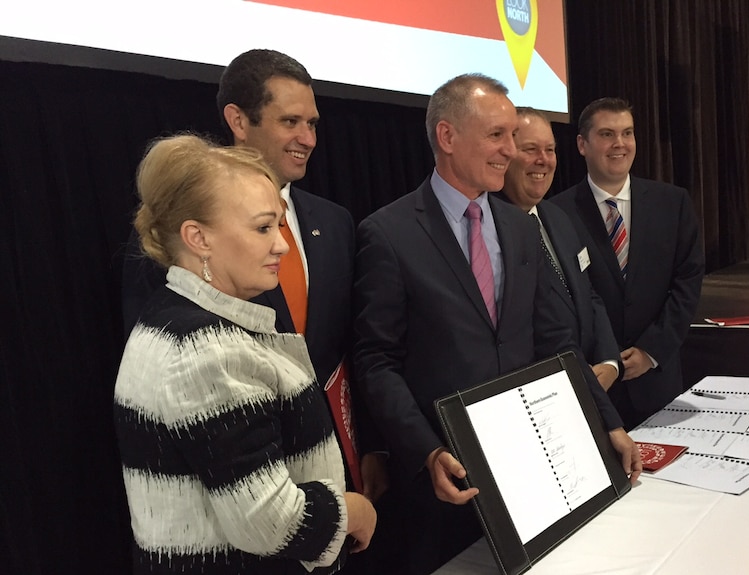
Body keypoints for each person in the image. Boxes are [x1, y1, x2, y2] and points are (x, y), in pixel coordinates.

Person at [352, 74, 641, 575]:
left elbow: (557, 344)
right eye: (497, 136)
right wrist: (425, 450)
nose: (511, 151)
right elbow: (375, 360)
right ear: (447, 136)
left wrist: (607, 422)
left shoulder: (519, 227)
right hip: (444, 485)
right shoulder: (388, 233)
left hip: (529, 475)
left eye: (512, 136)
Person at [121, 49, 388, 508]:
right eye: (290, 122)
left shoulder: (336, 221)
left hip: (335, 471)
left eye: (313, 124)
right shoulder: (179, 235)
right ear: (239, 120)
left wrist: (373, 446)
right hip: (236, 490)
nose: (307, 138)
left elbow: (350, 348)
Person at [114, 134, 376, 574]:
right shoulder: (208, 352)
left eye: (278, 225)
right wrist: (352, 509)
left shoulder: (175, 318)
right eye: (262, 228)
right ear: (198, 237)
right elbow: (270, 523)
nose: (281, 245)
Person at [550, 97, 705, 430]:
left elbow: (687, 282)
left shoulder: (673, 203)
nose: (619, 143)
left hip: (658, 378)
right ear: (582, 144)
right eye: (607, 134)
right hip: (595, 382)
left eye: (627, 133)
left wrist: (651, 350)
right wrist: (606, 359)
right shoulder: (556, 213)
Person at [501, 107, 621, 391]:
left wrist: (609, 360)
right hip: (540, 391)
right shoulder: (489, 231)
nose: (543, 160)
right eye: (530, 149)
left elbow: (588, 293)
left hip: (589, 381)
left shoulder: (558, 217)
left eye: (550, 150)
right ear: (504, 154)